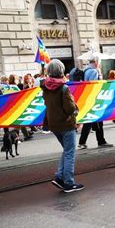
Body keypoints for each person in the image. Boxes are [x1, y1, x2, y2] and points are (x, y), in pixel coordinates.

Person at [41, 59, 84, 194]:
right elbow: (70, 108)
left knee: (66, 150)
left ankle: (60, 177)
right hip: (66, 123)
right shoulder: (64, 88)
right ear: (61, 71)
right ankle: (69, 183)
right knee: (70, 152)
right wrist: (76, 110)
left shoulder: (45, 86)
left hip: (53, 124)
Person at [78, 56, 113, 149]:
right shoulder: (93, 71)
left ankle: (83, 142)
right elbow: (94, 86)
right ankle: (101, 141)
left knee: (89, 121)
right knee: (97, 120)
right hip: (94, 100)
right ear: (96, 62)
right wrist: (100, 76)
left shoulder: (85, 70)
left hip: (86, 98)